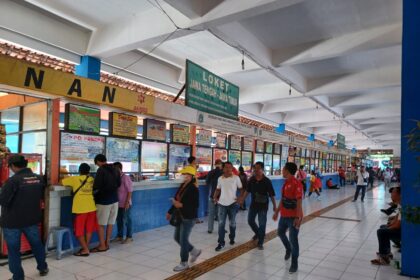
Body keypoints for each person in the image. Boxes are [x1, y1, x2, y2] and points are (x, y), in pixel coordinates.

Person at [0, 155, 48, 279]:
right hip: (32, 219)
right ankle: (43, 267)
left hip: (12, 222)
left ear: (13, 166)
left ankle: (18, 277)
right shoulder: (39, 178)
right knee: (37, 244)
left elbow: (4, 201)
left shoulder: (12, 181)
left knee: (13, 250)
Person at [166, 166, 201, 272]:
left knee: (183, 240)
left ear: (190, 176)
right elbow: (177, 200)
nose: (183, 176)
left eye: (185, 174)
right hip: (180, 216)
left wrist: (181, 205)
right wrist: (170, 211)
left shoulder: (193, 189)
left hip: (188, 218)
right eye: (183, 174)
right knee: (177, 238)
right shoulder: (182, 186)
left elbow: (195, 205)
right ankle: (194, 251)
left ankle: (184, 262)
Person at [273, 162, 303, 274]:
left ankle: (294, 263)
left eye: (283, 169)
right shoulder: (285, 183)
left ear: (288, 171)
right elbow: (283, 199)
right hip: (284, 215)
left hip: (293, 217)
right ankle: (288, 249)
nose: (282, 171)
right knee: (280, 233)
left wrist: (297, 217)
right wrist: (277, 212)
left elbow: (299, 201)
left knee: (293, 240)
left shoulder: (297, 184)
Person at [62, 163, 97, 256]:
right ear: (89, 171)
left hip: (81, 209)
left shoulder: (74, 179)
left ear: (79, 171)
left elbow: (61, 182)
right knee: (89, 229)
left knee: (79, 231)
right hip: (91, 207)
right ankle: (86, 247)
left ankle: (85, 249)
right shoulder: (91, 179)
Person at [239, 162, 276, 250]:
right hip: (253, 205)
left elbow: (271, 194)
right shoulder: (251, 179)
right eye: (254, 168)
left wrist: (275, 206)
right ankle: (258, 233)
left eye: (258, 168)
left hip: (263, 206)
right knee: (250, 221)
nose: (255, 170)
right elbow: (247, 191)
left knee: (262, 223)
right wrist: (242, 200)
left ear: (262, 169)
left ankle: (260, 242)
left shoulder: (267, 181)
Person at [91, 154, 121, 252]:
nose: (97, 166)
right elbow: (119, 184)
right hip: (115, 200)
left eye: (97, 164)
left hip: (103, 201)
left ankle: (102, 245)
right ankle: (107, 243)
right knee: (110, 223)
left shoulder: (101, 170)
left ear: (99, 161)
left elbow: (97, 186)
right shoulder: (115, 169)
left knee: (101, 224)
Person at [213, 162, 243, 251]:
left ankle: (232, 237)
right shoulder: (220, 179)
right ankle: (221, 243)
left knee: (232, 223)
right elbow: (218, 189)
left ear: (232, 168)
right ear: (223, 168)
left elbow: (241, 189)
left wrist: (240, 198)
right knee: (221, 224)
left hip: (233, 204)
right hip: (222, 204)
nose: (228, 169)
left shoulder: (236, 178)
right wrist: (215, 197)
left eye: (230, 167)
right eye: (226, 167)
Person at [371, 187, 401, 265]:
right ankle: (387, 253)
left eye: (393, 193)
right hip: (402, 229)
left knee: (381, 232)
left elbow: (397, 225)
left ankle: (384, 258)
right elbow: (397, 218)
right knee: (383, 227)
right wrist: (390, 224)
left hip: (403, 232)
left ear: (399, 195)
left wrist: (389, 227)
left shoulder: (403, 205)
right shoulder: (400, 204)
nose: (391, 195)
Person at [113, 162, 133, 244]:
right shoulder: (116, 178)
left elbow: (130, 191)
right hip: (118, 203)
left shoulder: (125, 177)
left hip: (125, 203)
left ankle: (129, 237)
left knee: (127, 220)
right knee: (119, 220)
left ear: (118, 169)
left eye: (114, 169)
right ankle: (119, 236)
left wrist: (127, 202)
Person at [206, 159, 223, 233]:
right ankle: (221, 229)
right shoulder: (223, 173)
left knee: (211, 214)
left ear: (215, 164)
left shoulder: (211, 172)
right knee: (221, 214)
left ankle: (210, 229)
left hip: (213, 195)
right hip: (221, 196)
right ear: (221, 165)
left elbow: (207, 182)